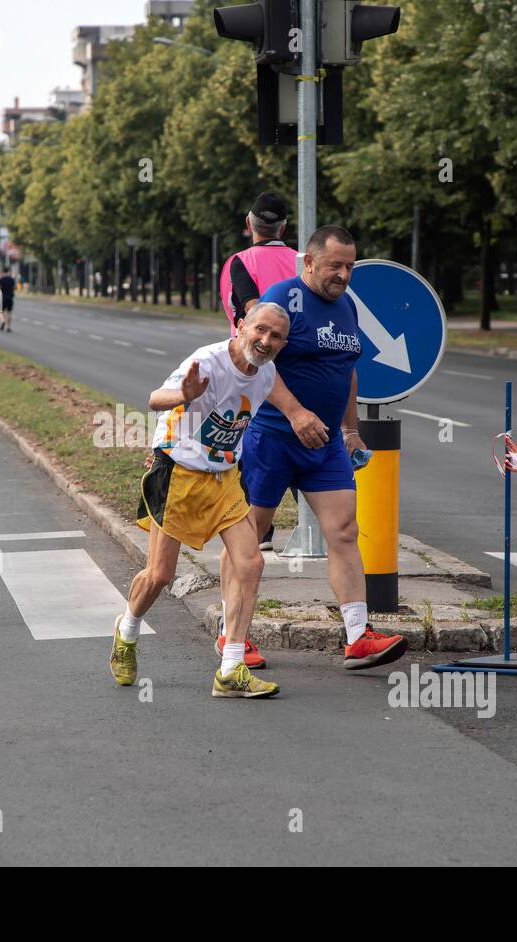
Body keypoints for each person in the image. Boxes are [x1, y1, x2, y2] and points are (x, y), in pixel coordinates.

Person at [233, 224, 408, 671]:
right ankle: (232, 638)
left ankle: (357, 636)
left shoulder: (347, 307)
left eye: (350, 266)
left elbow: (345, 370)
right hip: (273, 439)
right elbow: (257, 360)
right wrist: (294, 412)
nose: (345, 275)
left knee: (345, 532)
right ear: (308, 262)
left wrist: (349, 430)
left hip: (326, 443)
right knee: (247, 542)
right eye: (335, 265)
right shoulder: (282, 297)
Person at [112, 303, 291, 699]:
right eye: (260, 330)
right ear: (242, 326)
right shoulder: (207, 360)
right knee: (159, 575)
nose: (265, 341)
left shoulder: (266, 374)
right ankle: (127, 631)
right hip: (178, 472)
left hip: (225, 478)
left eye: (276, 336)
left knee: (251, 562)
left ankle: (231, 669)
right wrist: (184, 394)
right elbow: (155, 398)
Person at [219, 191, 301, 557]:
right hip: (304, 367)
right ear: (284, 227)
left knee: (257, 447)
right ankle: (319, 526)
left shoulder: (238, 262)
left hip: (260, 370)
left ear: (248, 225)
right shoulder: (305, 262)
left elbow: (244, 318)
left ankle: (259, 535)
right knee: (309, 440)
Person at [0, 267, 16, 332]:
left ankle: (3, 321)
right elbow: (14, 287)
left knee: (0, 311)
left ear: (2, 272)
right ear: (8, 272)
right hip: (10, 298)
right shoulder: (11, 280)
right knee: (9, 313)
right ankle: (8, 327)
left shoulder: (0, 280)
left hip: (2, 298)